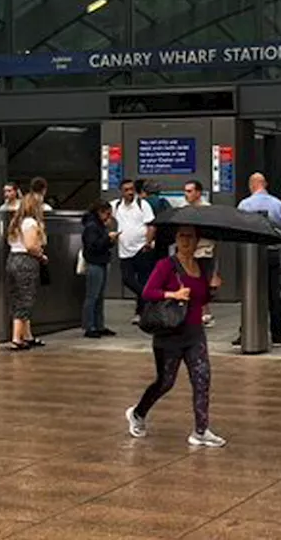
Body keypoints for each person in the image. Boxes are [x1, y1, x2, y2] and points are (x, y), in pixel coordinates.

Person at [125, 225, 226, 448]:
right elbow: (148, 292)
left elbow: (200, 300)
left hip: (194, 333)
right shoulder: (166, 266)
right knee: (165, 382)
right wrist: (173, 294)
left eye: (190, 236)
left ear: (198, 240)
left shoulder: (202, 267)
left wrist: (212, 289)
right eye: (181, 236)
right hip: (169, 334)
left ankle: (201, 431)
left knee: (202, 379)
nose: (185, 240)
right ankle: (138, 413)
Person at [236, 173, 281, 346]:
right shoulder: (278, 204)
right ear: (265, 184)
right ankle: (277, 335)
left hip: (251, 254)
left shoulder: (244, 204)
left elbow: (239, 227)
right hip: (271, 252)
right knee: (274, 294)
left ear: (251, 185)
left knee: (250, 293)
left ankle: (246, 331)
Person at [6, 191, 47, 351]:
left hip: (13, 259)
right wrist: (41, 255)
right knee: (26, 299)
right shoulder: (31, 223)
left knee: (17, 297)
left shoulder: (17, 222)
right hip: (26, 262)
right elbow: (30, 246)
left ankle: (27, 335)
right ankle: (17, 338)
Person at [113, 179, 156, 324]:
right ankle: (149, 297)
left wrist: (148, 243)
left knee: (143, 279)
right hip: (124, 251)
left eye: (131, 189)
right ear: (121, 191)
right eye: (126, 190)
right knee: (128, 279)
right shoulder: (116, 206)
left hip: (141, 249)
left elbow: (151, 225)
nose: (130, 192)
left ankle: (141, 312)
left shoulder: (142, 205)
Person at [81, 199, 118, 338]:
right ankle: (90, 326)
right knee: (92, 296)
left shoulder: (98, 225)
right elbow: (93, 245)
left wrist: (109, 240)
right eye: (107, 214)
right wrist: (107, 238)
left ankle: (98, 325)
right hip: (95, 263)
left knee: (99, 296)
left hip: (101, 261)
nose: (108, 217)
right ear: (100, 212)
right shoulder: (92, 226)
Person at [183, 180, 218, 327]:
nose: (186, 195)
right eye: (185, 191)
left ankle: (205, 313)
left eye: (190, 191)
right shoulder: (185, 209)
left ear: (198, 192)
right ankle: (196, 312)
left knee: (202, 283)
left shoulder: (207, 210)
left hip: (203, 251)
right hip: (188, 252)